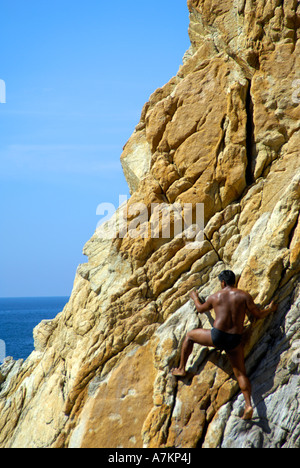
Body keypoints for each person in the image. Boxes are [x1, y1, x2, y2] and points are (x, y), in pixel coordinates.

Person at [171, 270, 278, 420]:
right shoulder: (244, 296)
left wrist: (195, 297)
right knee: (241, 373)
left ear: (222, 283)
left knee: (189, 336)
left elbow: (201, 309)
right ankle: (248, 405)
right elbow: (258, 314)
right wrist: (270, 309)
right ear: (233, 281)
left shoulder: (215, 296)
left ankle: (181, 369)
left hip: (217, 336)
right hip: (234, 340)